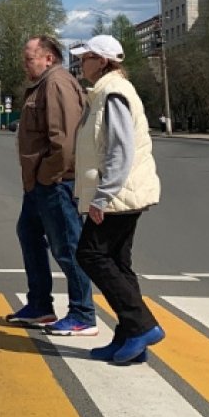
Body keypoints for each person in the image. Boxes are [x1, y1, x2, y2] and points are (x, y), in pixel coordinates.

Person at [71, 35, 164, 364]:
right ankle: (129, 338)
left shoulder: (113, 94)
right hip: (121, 191)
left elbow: (120, 150)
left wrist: (102, 197)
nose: (81, 63)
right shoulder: (104, 93)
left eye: (85, 58)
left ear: (102, 61)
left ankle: (141, 327)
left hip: (116, 193)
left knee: (91, 255)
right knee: (118, 262)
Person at [6, 35, 97, 336]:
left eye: (29, 58)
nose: (25, 64)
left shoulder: (57, 84)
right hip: (39, 183)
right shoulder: (43, 84)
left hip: (57, 182)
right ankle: (40, 305)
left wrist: (48, 175)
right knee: (28, 233)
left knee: (67, 246)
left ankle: (83, 314)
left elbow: (65, 140)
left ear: (48, 58)